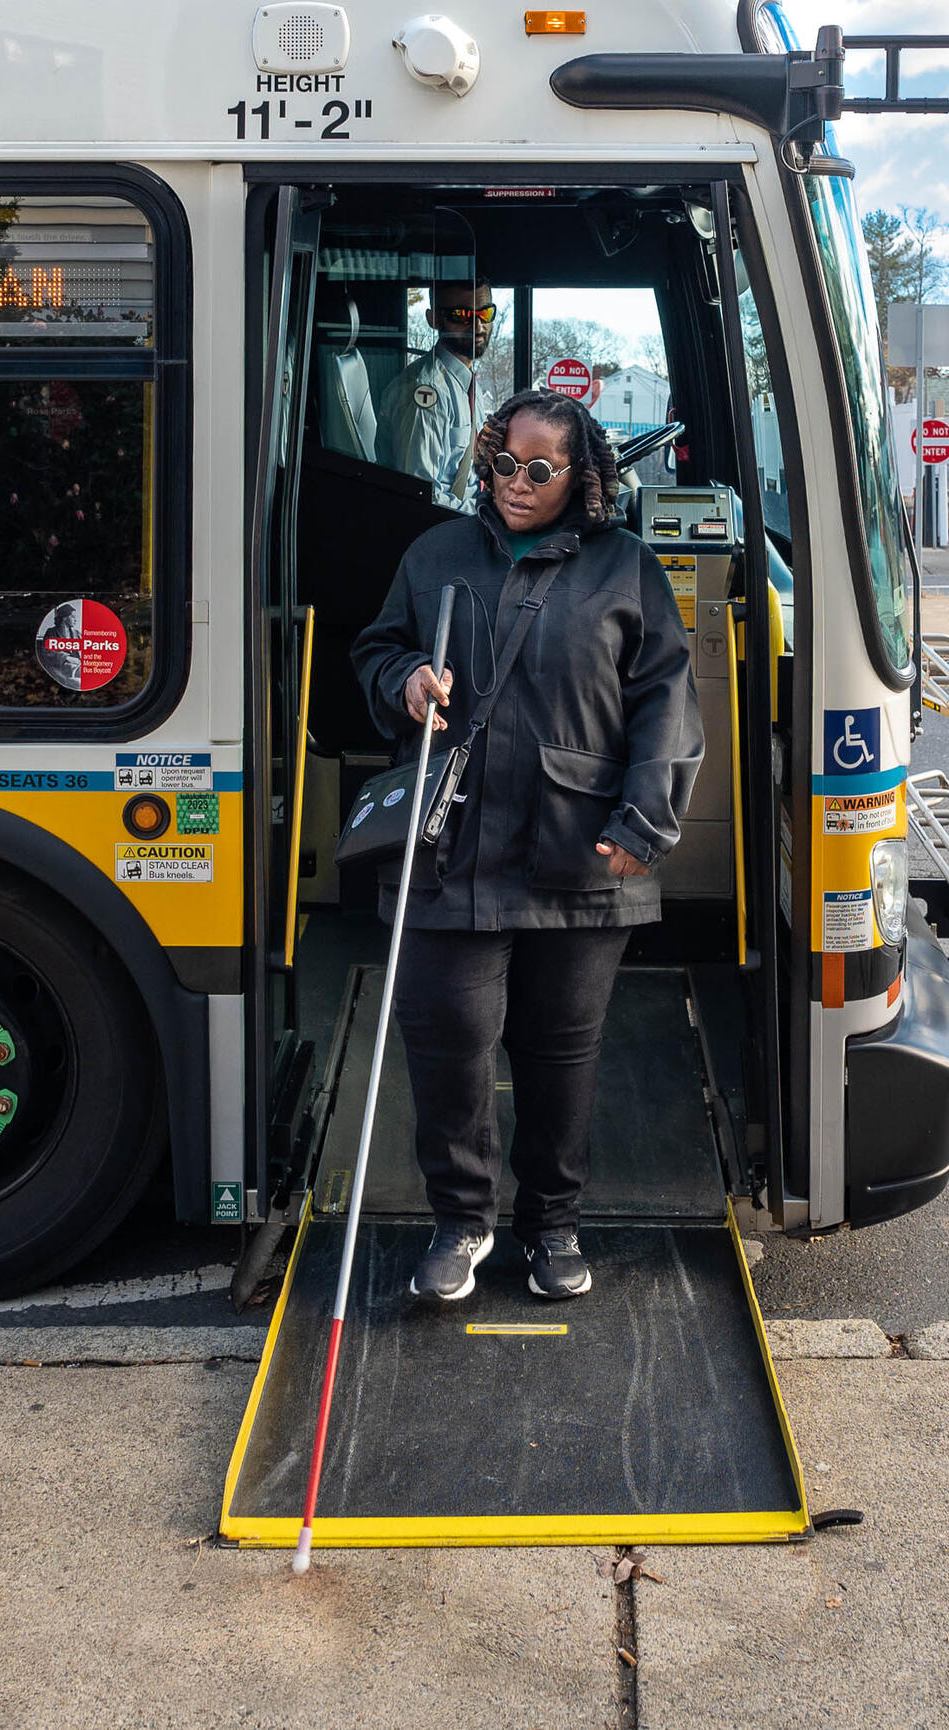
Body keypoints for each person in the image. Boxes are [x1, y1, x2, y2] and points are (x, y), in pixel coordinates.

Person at [349, 389, 704, 1303]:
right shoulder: (435, 554)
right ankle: (461, 1223)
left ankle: (551, 1228)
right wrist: (404, 681)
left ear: (579, 479)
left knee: (559, 1053)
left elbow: (666, 700)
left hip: (581, 854)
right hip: (448, 849)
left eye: (540, 469)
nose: (517, 482)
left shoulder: (626, 568)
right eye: (505, 462)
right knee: (451, 1045)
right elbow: (374, 651)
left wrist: (643, 824)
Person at [376, 279, 496, 511]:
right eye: (461, 315)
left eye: (485, 312)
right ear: (434, 320)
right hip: (444, 528)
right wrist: (489, 516)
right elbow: (421, 497)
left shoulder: (466, 383)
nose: (478, 325)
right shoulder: (426, 392)